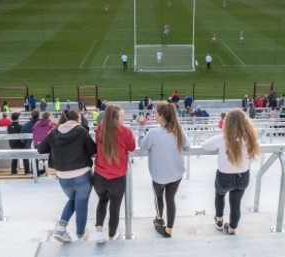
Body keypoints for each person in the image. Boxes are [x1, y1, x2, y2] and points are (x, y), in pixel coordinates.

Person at [38, 109, 96, 243]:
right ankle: (81, 233)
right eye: (80, 118)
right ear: (76, 119)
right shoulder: (81, 131)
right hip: (82, 174)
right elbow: (93, 150)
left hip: (63, 177)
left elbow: (41, 149)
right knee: (81, 203)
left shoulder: (54, 132)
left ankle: (61, 228)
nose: (81, 121)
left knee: (74, 200)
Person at [202, 108, 260, 235]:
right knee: (236, 203)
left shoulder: (222, 138)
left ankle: (219, 219)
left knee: (220, 195)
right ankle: (232, 228)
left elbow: (204, 145)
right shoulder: (249, 137)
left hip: (224, 177)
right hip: (243, 176)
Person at [138, 101, 191, 238]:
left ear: (161, 116)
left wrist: (141, 127)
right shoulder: (178, 129)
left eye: (156, 112)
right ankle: (169, 229)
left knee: (159, 197)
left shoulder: (154, 133)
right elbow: (187, 146)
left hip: (159, 177)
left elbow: (142, 145)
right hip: (176, 174)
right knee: (170, 199)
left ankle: (159, 218)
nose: (155, 115)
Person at [93, 104, 136, 243]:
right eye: (122, 116)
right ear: (116, 118)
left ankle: (99, 232)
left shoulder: (100, 129)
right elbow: (132, 147)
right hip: (117, 178)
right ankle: (112, 234)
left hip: (100, 176)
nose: (124, 118)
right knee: (115, 208)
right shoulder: (125, 131)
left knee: (102, 201)